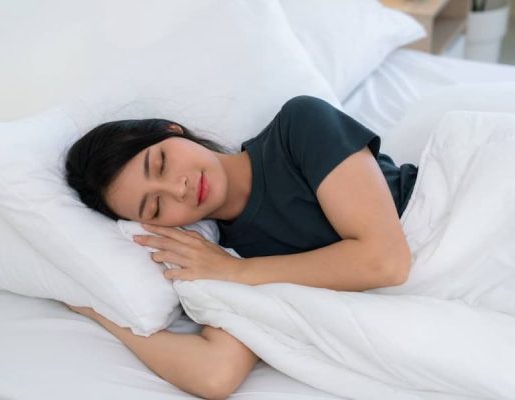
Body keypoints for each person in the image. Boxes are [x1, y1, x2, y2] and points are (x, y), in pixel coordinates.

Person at [63, 95, 418, 399]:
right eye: (156, 206)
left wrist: (239, 273)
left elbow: (387, 261)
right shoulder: (220, 254)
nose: (179, 189)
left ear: (173, 129)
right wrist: (100, 312)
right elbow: (215, 374)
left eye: (161, 163)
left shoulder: (299, 125)